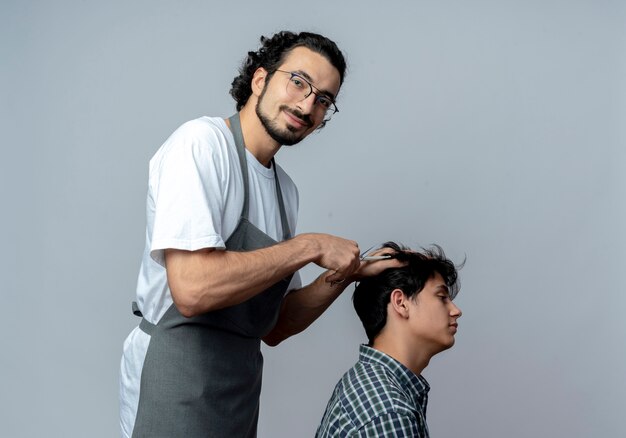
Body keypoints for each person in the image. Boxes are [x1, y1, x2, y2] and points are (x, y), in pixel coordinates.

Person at [119, 31, 402, 438]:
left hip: (239, 390)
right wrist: (309, 246)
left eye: (324, 99)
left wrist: (348, 274)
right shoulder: (202, 145)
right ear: (259, 80)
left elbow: (276, 325)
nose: (308, 105)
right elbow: (193, 290)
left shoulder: (285, 191)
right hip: (174, 378)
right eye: (299, 82)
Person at [316, 242, 463, 437]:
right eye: (442, 296)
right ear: (401, 303)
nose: (456, 311)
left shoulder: (369, 382)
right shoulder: (389, 411)